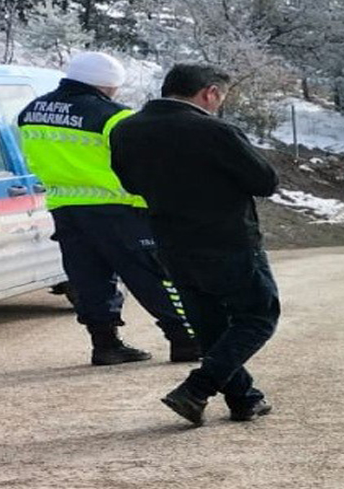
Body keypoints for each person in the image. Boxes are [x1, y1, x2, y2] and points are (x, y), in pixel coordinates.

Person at [110, 64, 280, 425]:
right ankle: (196, 389)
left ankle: (244, 399)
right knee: (258, 316)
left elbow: (131, 184)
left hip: (171, 242)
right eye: (222, 97)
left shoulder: (125, 130)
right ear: (210, 93)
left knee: (211, 325)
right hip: (228, 239)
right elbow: (265, 181)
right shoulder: (215, 131)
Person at [17, 52, 198, 367]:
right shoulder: (113, 116)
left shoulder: (31, 111)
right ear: (108, 84)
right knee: (152, 275)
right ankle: (184, 339)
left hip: (65, 207)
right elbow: (140, 164)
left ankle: (105, 344)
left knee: (88, 276)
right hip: (119, 209)